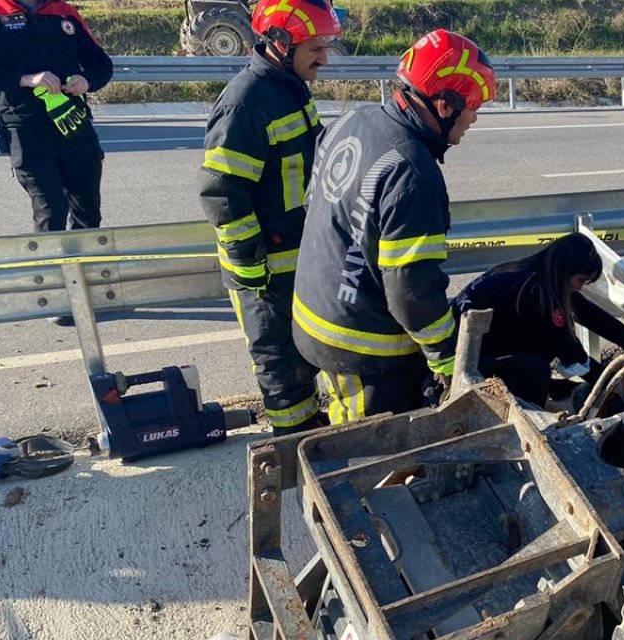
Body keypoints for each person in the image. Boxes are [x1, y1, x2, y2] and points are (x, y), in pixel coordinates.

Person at [292, 29, 497, 424]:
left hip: (315, 311)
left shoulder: (354, 118)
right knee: (375, 455)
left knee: (346, 416)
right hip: (360, 347)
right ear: (445, 103)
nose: (474, 117)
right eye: (472, 106)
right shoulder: (412, 172)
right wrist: (446, 359)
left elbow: (316, 204)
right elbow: (411, 291)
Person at [197, 0, 342, 435]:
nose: (324, 58)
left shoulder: (289, 90)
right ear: (279, 42)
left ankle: (312, 432)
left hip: (296, 259)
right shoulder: (246, 104)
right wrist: (248, 263)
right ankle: (294, 449)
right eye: (314, 47)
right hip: (263, 269)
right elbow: (221, 189)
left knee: (304, 357)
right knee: (280, 367)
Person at [0, 0, 112, 233]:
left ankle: (84, 267)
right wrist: (24, 79)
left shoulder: (64, 11)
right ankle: (51, 268)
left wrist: (87, 81)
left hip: (72, 121)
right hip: (24, 126)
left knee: (88, 211)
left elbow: (101, 64)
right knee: (51, 211)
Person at [454, 233, 624, 407]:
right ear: (565, 269)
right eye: (580, 280)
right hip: (464, 369)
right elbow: (568, 350)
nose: (579, 287)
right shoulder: (535, 292)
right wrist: (617, 385)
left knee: (542, 341)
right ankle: (531, 413)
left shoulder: (527, 273)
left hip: (469, 352)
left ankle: (551, 390)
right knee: (537, 369)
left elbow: (584, 310)